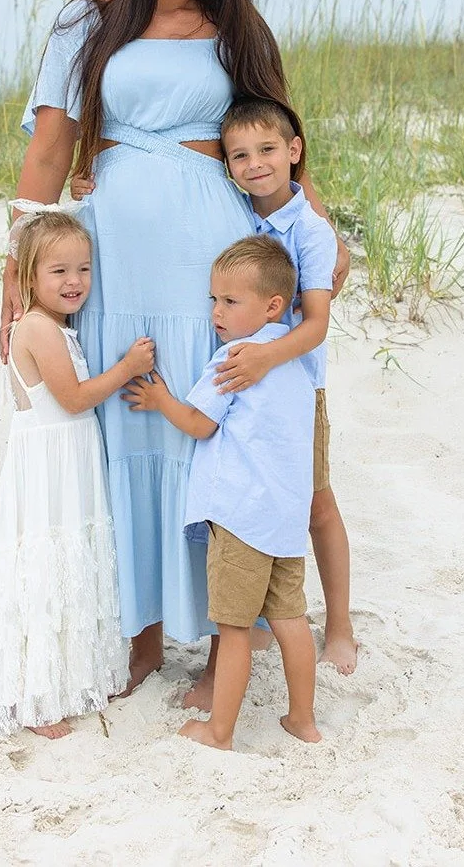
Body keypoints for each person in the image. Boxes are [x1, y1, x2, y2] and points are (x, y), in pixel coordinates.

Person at [2, 0, 348, 693]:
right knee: (130, 434)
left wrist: (316, 237)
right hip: (116, 254)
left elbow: (279, 145)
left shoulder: (237, 27)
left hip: (211, 260)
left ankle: (226, 632)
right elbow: (51, 149)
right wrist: (14, 272)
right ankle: (144, 634)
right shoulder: (88, 22)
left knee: (211, 428)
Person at [0, 210, 154, 739]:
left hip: (68, 461)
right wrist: (128, 369)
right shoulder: (38, 329)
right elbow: (72, 399)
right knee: (45, 569)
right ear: (28, 280)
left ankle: (71, 676)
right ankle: (38, 699)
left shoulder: (57, 327)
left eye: (84, 269)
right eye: (58, 271)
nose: (74, 282)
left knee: (71, 561)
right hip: (48, 466)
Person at [125, 236, 320, 750]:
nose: (216, 312)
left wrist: (159, 397)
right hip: (284, 520)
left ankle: (219, 731)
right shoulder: (296, 363)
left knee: (233, 629)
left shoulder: (234, 358)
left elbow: (199, 424)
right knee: (291, 620)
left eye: (230, 302)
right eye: (214, 299)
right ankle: (303, 719)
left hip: (238, 518)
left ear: (273, 305)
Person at [219, 96, 358, 674]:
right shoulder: (232, 213)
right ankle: (256, 621)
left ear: (294, 151)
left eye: (268, 150)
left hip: (296, 387)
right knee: (252, 499)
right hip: (247, 387)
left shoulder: (311, 231)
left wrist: (265, 358)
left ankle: (342, 624)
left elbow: (317, 323)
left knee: (315, 503)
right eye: (240, 155)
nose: (255, 164)